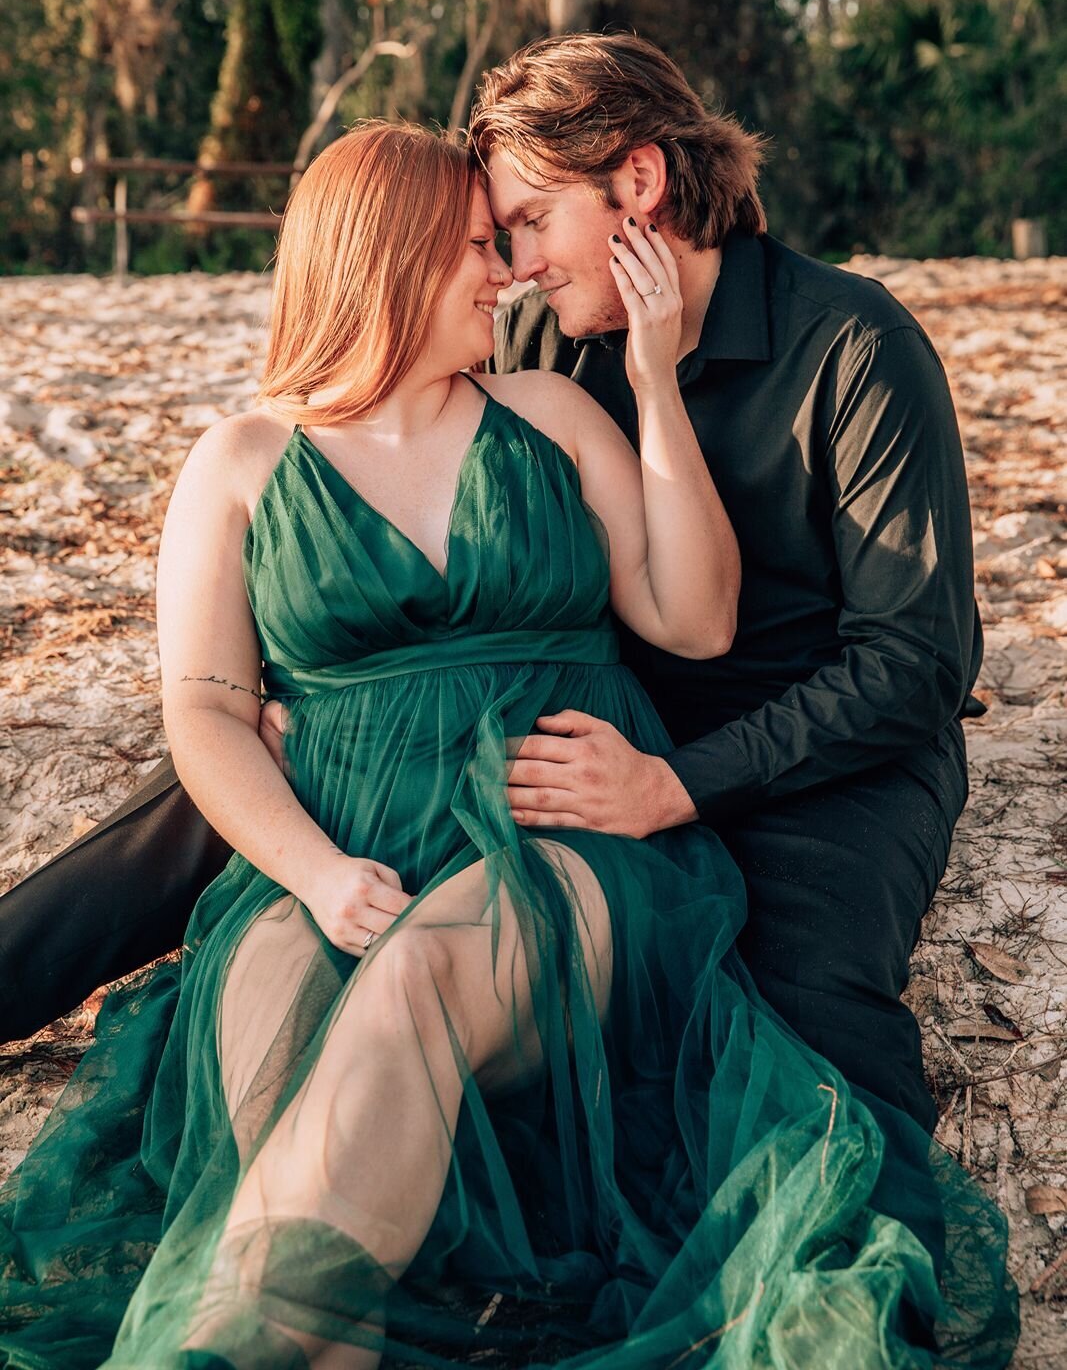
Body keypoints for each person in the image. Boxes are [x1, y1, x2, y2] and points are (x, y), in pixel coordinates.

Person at [0, 121, 1015, 1367]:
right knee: (269, 1042)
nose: (509, 269)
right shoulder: (238, 460)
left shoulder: (575, 391)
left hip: (553, 816)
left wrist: (649, 384)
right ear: (382, 260)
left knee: (425, 988)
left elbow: (699, 622)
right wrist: (313, 867)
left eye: (514, 233)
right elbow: (204, 710)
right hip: (337, 835)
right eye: (482, 244)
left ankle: (215, 1354)